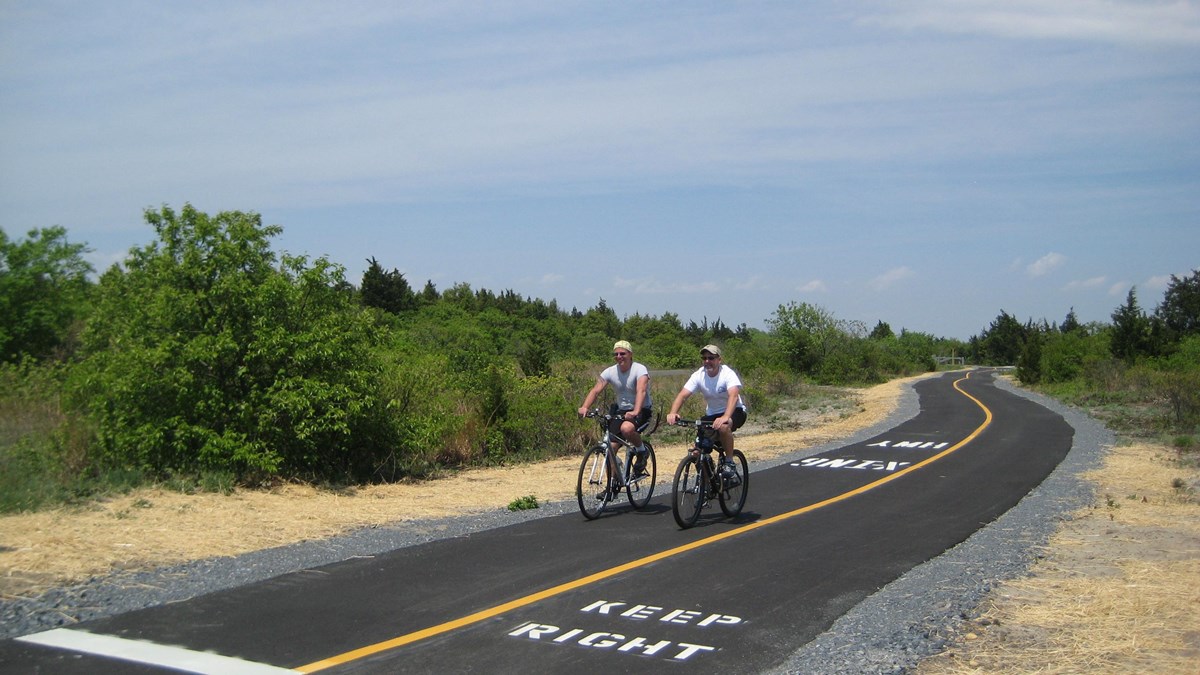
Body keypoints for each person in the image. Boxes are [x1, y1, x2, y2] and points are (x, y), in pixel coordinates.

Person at [578, 340, 653, 486]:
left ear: (630, 354)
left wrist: (636, 410)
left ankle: (642, 451)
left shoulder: (640, 369)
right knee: (609, 449)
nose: (619, 356)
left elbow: (641, 391)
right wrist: (585, 407)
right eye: (616, 354)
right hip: (621, 411)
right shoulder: (610, 371)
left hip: (641, 409)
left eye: (623, 353)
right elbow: (596, 390)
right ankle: (612, 484)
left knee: (626, 428)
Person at [666, 344, 747, 476]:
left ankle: (729, 461)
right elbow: (683, 395)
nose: (707, 361)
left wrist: (726, 416)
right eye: (704, 358)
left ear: (719, 360)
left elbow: (733, 395)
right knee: (697, 453)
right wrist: (673, 412)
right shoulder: (699, 375)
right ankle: (706, 484)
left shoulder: (727, 373)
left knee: (723, 427)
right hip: (712, 415)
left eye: (711, 358)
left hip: (734, 411)